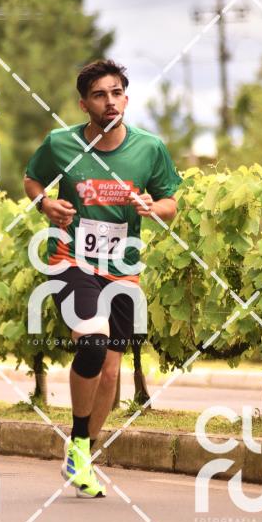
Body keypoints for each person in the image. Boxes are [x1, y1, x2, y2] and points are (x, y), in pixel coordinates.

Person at [24, 59, 181, 498]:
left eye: (116, 93)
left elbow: (170, 203)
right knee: (92, 340)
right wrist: (45, 205)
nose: (109, 102)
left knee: (110, 375)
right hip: (71, 260)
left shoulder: (149, 148)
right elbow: (32, 180)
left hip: (123, 269)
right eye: (99, 95)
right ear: (84, 104)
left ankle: (82, 455)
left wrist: (153, 207)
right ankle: (77, 439)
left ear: (125, 99)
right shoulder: (60, 143)